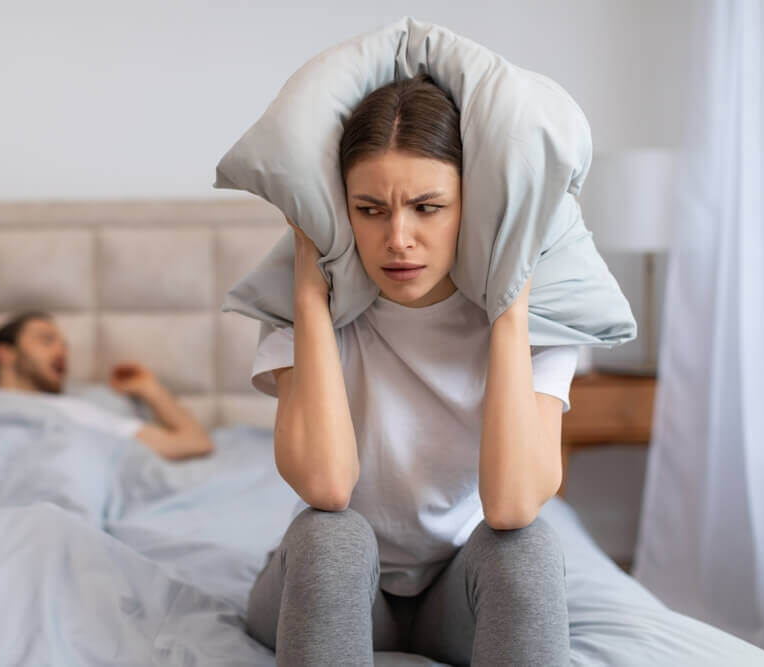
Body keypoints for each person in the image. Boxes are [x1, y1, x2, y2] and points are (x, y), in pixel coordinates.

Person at [244, 75, 576, 666]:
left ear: (471, 209)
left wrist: (507, 311)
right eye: (370, 211)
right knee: (332, 538)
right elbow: (327, 487)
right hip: (335, 589)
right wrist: (307, 298)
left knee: (526, 549)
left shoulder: (544, 329)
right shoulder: (295, 316)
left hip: (456, 595)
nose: (398, 239)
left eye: (428, 208)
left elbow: (512, 505)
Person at [0, 311, 214, 460]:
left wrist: (150, 389)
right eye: (46, 340)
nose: (61, 351)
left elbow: (195, 443)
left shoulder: (79, 412)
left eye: (64, 346)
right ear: (5, 353)